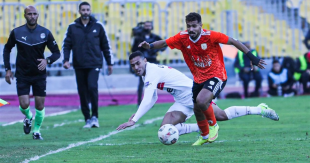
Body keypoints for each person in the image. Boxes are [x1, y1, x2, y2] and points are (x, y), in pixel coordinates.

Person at [138, 12, 266, 145]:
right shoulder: (182, 37)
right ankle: (204, 136)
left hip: (217, 75)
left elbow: (233, 41)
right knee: (197, 108)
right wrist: (151, 46)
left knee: (202, 100)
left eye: (194, 26)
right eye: (189, 26)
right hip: (199, 78)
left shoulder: (210, 36)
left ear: (201, 25)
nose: (191, 29)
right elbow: (164, 43)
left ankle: (213, 126)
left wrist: (252, 57)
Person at [116, 52, 278, 137]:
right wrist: (135, 116)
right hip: (180, 100)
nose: (136, 67)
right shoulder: (147, 73)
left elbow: (147, 97)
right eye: (133, 65)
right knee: (165, 129)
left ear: (144, 61)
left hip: (193, 95)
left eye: (138, 63)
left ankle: (259, 109)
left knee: (221, 115)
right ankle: (202, 128)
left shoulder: (152, 72)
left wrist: (134, 119)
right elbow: (152, 98)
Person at [3, 6, 60, 140]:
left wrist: (48, 60)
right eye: (29, 14)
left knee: (40, 105)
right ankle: (28, 117)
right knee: (24, 105)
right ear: (25, 15)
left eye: (34, 14)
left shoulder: (45, 33)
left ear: (38, 15)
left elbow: (56, 52)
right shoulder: (16, 32)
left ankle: (37, 131)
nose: (32, 16)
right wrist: (8, 69)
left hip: (39, 74)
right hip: (22, 74)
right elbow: (7, 49)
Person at [62, 2, 114, 128]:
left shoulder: (98, 26)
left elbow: (105, 45)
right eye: (83, 10)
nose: (85, 12)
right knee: (82, 91)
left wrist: (109, 63)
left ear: (90, 11)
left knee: (92, 87)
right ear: (79, 11)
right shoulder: (72, 27)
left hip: (94, 63)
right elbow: (66, 45)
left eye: (87, 9)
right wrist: (66, 60)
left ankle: (95, 116)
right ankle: (87, 118)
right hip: (79, 64)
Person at [131, 21, 167, 106]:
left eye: (149, 26)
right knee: (141, 82)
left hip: (153, 60)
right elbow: (133, 49)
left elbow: (164, 44)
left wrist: (156, 50)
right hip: (142, 62)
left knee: (152, 82)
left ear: (152, 27)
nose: (147, 27)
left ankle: (152, 101)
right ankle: (139, 102)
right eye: (146, 26)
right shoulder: (139, 37)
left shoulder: (155, 37)